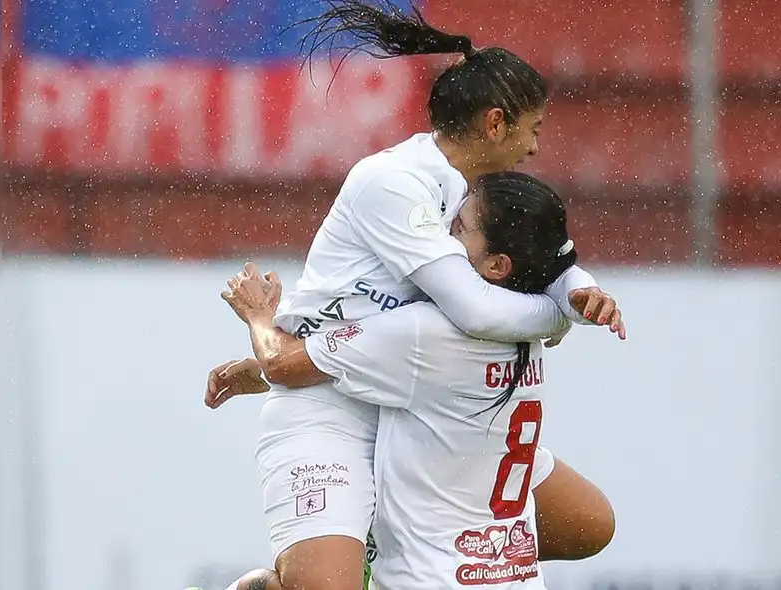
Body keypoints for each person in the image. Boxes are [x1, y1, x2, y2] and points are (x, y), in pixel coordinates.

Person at [213, 2, 620, 589]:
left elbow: (541, 253)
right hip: (330, 401)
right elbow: (475, 309)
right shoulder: (393, 184)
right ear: (496, 123)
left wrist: (581, 290)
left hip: (413, 398)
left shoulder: (471, 195)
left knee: (587, 525)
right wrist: (557, 318)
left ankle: (380, 546)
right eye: (533, 129)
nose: (535, 149)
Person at [212, 172, 608, 589]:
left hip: (428, 579)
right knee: (593, 521)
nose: (442, 237)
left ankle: (368, 543)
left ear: (497, 265)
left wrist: (258, 315)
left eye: (459, 228)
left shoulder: (427, 332)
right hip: (512, 577)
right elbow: (396, 369)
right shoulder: (534, 318)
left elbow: (282, 362)